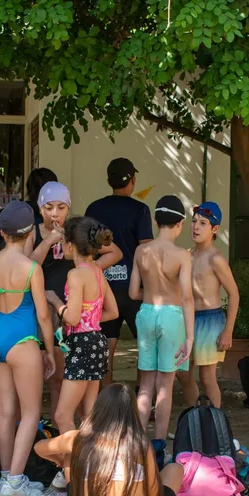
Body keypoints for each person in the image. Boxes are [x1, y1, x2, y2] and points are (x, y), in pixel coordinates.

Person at [34, 384, 185, 496]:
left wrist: (59, 460)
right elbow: (152, 494)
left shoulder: (78, 438)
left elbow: (39, 448)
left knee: (70, 455)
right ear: (132, 412)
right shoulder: (140, 445)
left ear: (98, 409)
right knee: (174, 469)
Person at [31, 182, 122, 418]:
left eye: (61, 207)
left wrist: (88, 269)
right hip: (72, 326)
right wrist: (49, 242)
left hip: (71, 324)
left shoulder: (77, 239)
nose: (55, 213)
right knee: (59, 384)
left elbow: (115, 252)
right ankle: (69, 434)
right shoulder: (36, 233)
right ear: (40, 209)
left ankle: (64, 433)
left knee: (66, 397)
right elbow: (28, 268)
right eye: (49, 207)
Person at [0, 200, 57, 496]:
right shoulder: (31, 269)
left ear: (2, 233)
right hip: (22, 340)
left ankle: (6, 475)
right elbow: (43, 316)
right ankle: (15, 482)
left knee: (6, 412)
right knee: (30, 413)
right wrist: (49, 350)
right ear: (30, 234)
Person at [129, 195, 194, 469]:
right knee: (165, 386)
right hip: (172, 316)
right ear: (180, 224)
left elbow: (133, 292)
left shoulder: (140, 252)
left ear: (156, 222)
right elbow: (187, 297)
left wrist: (151, 293)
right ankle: (158, 449)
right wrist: (190, 337)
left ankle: (137, 448)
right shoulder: (182, 255)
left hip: (146, 313)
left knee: (145, 385)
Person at [84, 158, 153, 386]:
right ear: (133, 180)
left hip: (103, 286)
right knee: (145, 346)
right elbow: (146, 249)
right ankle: (143, 397)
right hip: (134, 288)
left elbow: (87, 246)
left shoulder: (94, 209)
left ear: (108, 181)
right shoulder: (140, 209)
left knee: (105, 347)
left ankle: (106, 398)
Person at [175, 202, 239, 408]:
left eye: (203, 223)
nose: (196, 227)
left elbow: (234, 294)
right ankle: (195, 416)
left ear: (214, 229)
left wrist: (228, 331)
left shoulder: (215, 258)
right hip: (188, 318)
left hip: (210, 319)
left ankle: (213, 422)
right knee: (182, 372)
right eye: (194, 221)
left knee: (207, 377)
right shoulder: (186, 254)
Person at [0, 168, 55, 260]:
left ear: (28, 188)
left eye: (61, 207)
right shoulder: (55, 217)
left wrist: (0, 265)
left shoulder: (11, 212)